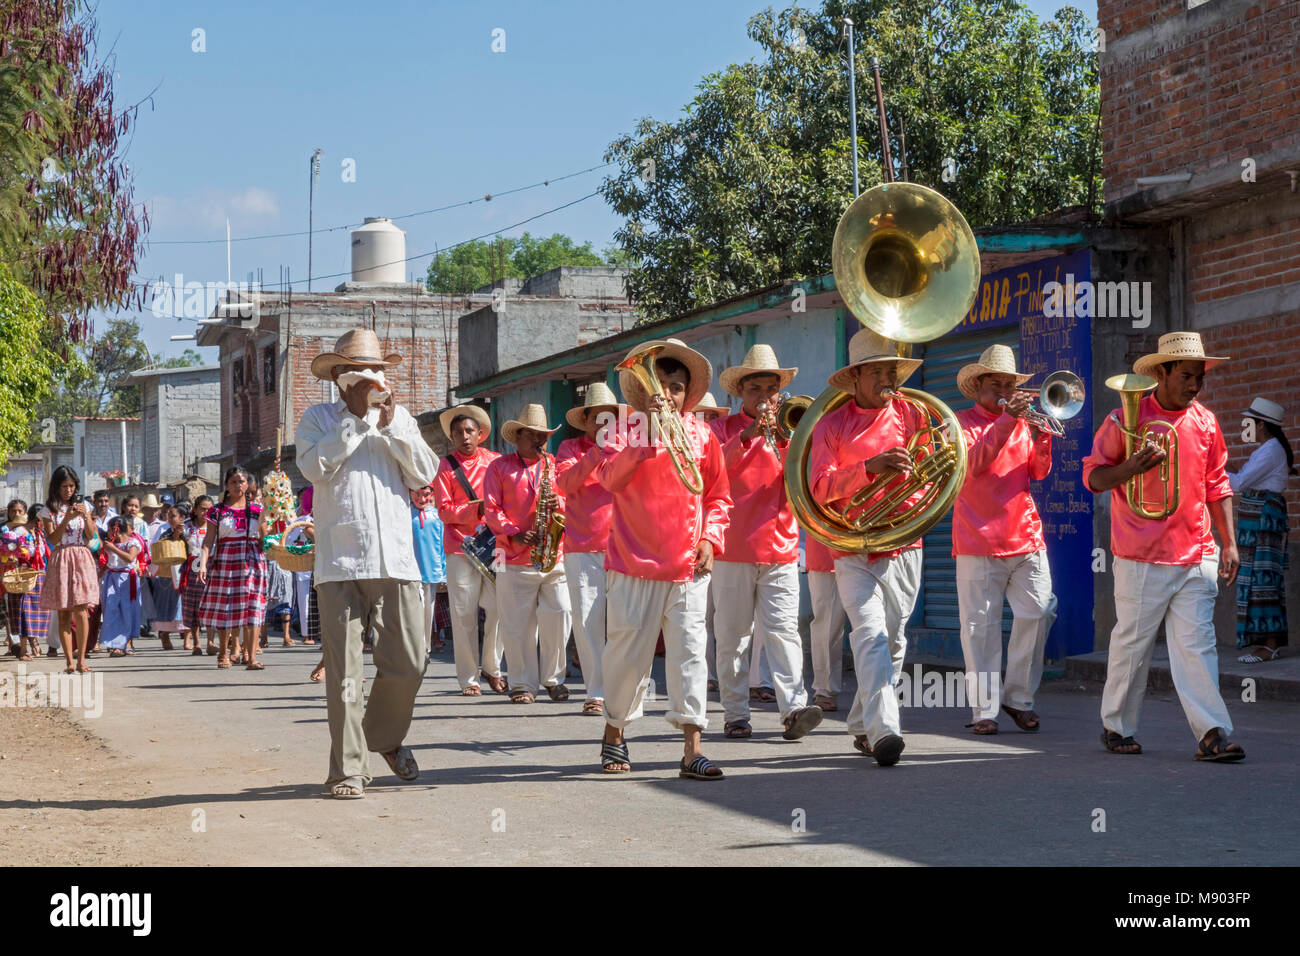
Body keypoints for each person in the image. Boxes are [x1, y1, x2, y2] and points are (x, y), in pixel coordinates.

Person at [1083, 331, 1244, 761]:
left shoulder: (1206, 421)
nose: (1195, 386)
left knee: (1197, 646)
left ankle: (1212, 732)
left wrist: (1229, 542)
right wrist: (1129, 468)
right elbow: (1095, 477)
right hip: (1140, 556)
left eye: (1200, 379)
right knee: (1132, 647)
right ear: (1161, 373)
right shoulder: (1123, 421)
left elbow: (1217, 483)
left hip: (1196, 553)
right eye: (1187, 376)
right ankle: (1117, 725)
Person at [296, 328, 439, 799]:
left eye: (378, 371)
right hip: (340, 562)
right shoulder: (318, 419)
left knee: (412, 661)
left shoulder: (401, 421)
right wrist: (355, 421)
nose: (372, 380)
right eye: (362, 372)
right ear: (340, 378)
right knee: (346, 675)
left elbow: (425, 474)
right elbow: (314, 470)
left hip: (397, 559)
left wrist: (391, 422)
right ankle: (347, 770)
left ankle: (381, 737)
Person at [590, 338, 732, 780]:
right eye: (662, 385)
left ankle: (692, 749)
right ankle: (615, 732)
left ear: (687, 393)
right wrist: (645, 436)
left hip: (688, 566)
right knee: (627, 659)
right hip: (633, 564)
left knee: (691, 655)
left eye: (676, 386)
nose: (668, 394)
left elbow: (718, 497)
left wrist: (710, 539)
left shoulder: (705, 435)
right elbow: (610, 480)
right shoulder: (623, 432)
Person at [809, 329, 927, 767]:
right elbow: (819, 487)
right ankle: (885, 733)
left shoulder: (913, 414)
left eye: (890, 370)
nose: (885, 378)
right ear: (856, 377)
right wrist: (869, 469)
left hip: (905, 543)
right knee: (872, 635)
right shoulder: (830, 425)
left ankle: (862, 724)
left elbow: (933, 475)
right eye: (875, 371)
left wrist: (908, 504)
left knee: (893, 641)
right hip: (854, 547)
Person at [710, 344, 822, 741]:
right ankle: (736, 713)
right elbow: (711, 472)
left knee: (784, 631)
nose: (765, 397)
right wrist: (748, 436)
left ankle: (793, 709)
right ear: (740, 392)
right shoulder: (721, 430)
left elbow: (809, 479)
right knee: (733, 636)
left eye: (771, 389)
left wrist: (790, 440)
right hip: (733, 548)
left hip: (781, 547)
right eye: (755, 388)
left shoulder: (792, 430)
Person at [952, 345, 1057, 735]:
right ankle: (984, 711)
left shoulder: (1022, 423)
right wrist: (1008, 420)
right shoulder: (960, 422)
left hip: (1026, 535)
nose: (1003, 388)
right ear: (978, 385)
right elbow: (972, 465)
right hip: (977, 539)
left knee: (1039, 612)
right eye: (995, 382)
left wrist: (1042, 438)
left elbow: (1039, 473)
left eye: (1008, 383)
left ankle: (1018, 698)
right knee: (980, 629)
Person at [484, 404, 574, 705]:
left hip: (554, 554)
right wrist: (513, 531)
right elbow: (491, 509)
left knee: (560, 614)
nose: (540, 441)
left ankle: (554, 679)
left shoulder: (555, 464)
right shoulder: (499, 467)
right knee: (516, 624)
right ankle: (522, 683)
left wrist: (557, 504)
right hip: (513, 556)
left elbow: (570, 500)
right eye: (533, 435)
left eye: (543, 436)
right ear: (518, 437)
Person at [555, 383, 624, 716]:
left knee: (625, 621)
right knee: (587, 620)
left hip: (625, 544)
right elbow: (565, 485)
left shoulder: (629, 447)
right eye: (598, 418)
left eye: (611, 417)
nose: (605, 424)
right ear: (586, 421)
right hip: (582, 546)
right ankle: (596, 691)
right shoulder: (569, 448)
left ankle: (621, 686)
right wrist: (596, 453)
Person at [434, 403, 506, 696]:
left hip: (494, 546)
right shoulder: (444, 466)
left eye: (469, 431)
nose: (464, 436)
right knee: (463, 615)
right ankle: (469, 679)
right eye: (458, 432)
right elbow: (443, 510)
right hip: (460, 548)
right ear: (452, 437)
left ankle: (492, 667)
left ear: (480, 434)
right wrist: (475, 512)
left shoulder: (496, 461)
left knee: (500, 608)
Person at [1230, 397, 1294, 663]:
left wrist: (1212, 471)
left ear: (1263, 425)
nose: (1249, 428)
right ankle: (1268, 643)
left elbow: (1239, 483)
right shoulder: (1272, 449)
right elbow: (1244, 477)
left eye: (1252, 423)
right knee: (1261, 578)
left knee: (1261, 580)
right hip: (1260, 520)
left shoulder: (1269, 451)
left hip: (1261, 521)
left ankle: (1268, 645)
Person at [198, 467, 269, 670]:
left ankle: (252, 657)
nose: (238, 486)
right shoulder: (217, 511)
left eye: (242, 481)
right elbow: (208, 540)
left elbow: (265, 538)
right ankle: (223, 653)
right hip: (226, 562)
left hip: (253, 562)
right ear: (227, 485)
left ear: (248, 484)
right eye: (234, 482)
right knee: (225, 607)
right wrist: (203, 564)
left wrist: (273, 529)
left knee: (253, 607)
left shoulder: (258, 510)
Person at [36, 466, 99, 674]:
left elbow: (90, 536)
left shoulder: (84, 506)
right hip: (61, 558)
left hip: (81, 558)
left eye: (71, 486)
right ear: (56, 487)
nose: (68, 490)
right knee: (63, 612)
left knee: (82, 610)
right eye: (64, 486)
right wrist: (66, 519)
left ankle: (82, 659)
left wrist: (86, 516)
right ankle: (69, 661)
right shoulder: (48, 510)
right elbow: (53, 539)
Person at [3, 499, 49, 662]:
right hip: (22, 577)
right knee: (23, 613)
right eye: (45, 519)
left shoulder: (39, 534)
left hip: (38, 576)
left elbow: (43, 555)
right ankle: (22, 649)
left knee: (34, 613)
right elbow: (6, 551)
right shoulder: (19, 532)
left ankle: (31, 644)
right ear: (37, 518)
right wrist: (12, 559)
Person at [805, 536, 848, 712]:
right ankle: (825, 689)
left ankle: (879, 689)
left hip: (875, 548)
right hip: (827, 549)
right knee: (827, 624)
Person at [409, 484, 446, 656]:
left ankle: (425, 649)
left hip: (431, 571)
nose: (422, 499)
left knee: (427, 613)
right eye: (417, 494)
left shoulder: (437, 516)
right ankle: (413, 649)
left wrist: (444, 572)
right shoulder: (404, 514)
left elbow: (442, 546)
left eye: (426, 494)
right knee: (411, 612)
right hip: (409, 572)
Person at [98, 516, 142, 658]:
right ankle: (114, 643)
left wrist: (112, 549)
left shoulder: (132, 543)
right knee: (111, 610)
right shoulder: (111, 543)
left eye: (110, 529)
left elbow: (130, 558)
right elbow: (110, 562)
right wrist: (99, 574)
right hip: (112, 578)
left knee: (127, 610)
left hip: (127, 579)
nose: (108, 532)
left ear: (115, 529)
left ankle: (126, 643)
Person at [148, 504, 188, 649]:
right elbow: (155, 546)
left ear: (183, 518)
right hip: (166, 571)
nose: (169, 518)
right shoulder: (163, 529)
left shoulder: (189, 530)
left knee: (184, 604)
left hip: (185, 570)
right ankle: (164, 635)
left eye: (173, 516)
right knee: (165, 604)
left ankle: (188, 638)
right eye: (168, 515)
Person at [180, 496, 216, 656]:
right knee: (193, 607)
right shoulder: (186, 527)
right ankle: (196, 643)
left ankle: (210, 641)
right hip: (191, 569)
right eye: (202, 508)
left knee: (210, 605)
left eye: (209, 509)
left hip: (210, 567)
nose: (206, 512)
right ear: (195, 509)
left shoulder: (215, 527)